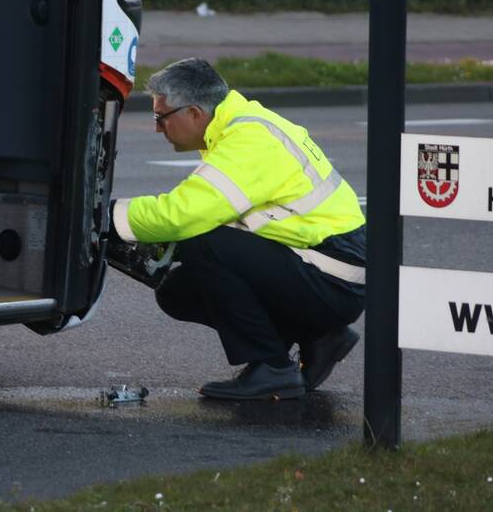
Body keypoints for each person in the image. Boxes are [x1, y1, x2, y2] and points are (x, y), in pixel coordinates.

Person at [109, 58, 366, 401]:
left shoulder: (249, 140)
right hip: (326, 269)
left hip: (333, 278)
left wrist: (107, 215)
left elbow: (180, 215)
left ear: (194, 113)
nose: (158, 128)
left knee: (202, 240)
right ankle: (318, 335)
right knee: (177, 291)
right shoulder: (241, 125)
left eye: (161, 117)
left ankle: (273, 369)